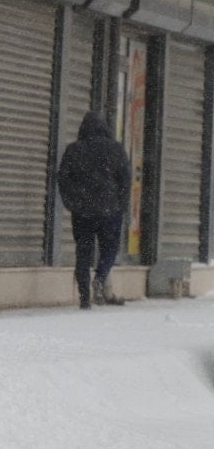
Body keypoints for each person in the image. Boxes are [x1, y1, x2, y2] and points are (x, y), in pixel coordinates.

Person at [57, 110, 132, 309]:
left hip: (83, 211)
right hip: (110, 209)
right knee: (110, 248)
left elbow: (63, 178)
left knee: (83, 251)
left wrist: (72, 202)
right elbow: (125, 180)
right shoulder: (116, 149)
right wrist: (121, 204)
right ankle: (100, 276)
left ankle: (84, 298)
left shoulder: (74, 149)